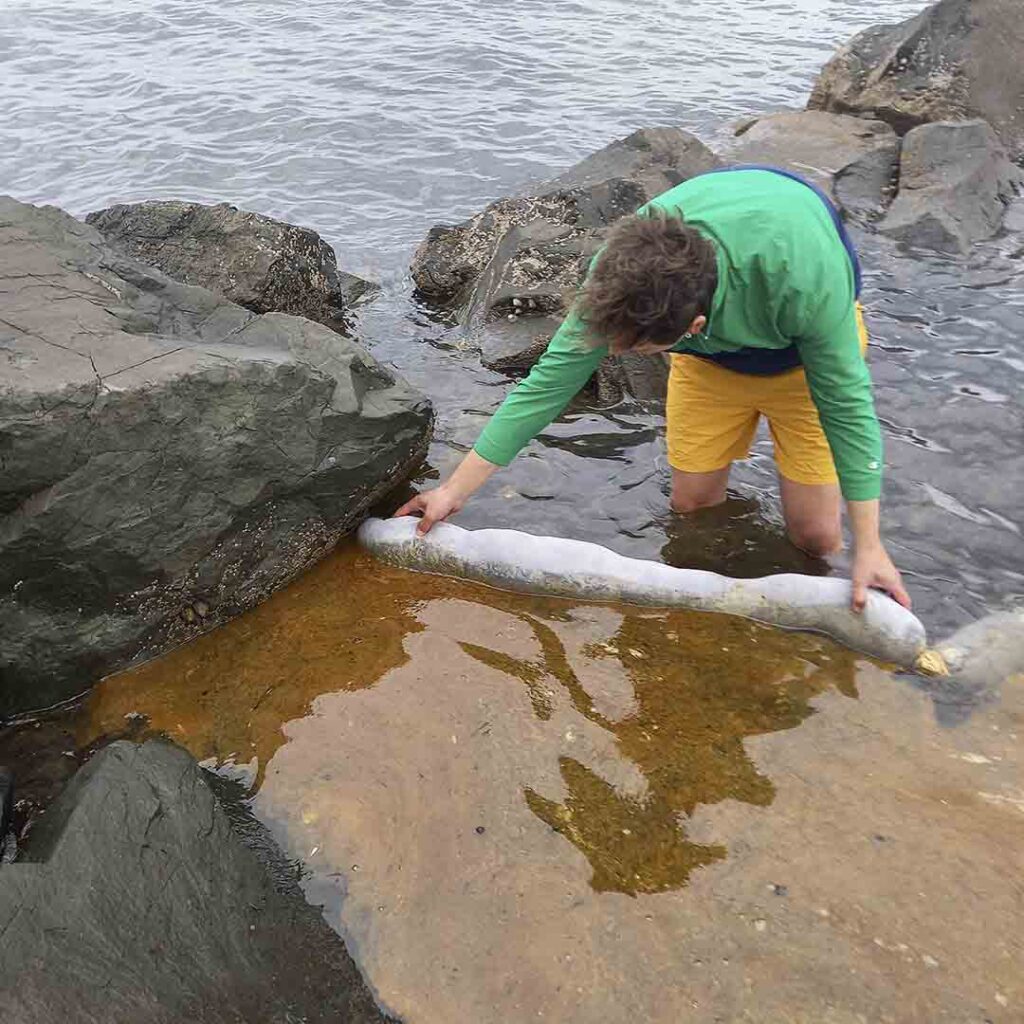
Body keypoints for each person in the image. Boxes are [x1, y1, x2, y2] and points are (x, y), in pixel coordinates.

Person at [396, 166, 911, 612]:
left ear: (694, 327)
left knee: (817, 538)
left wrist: (870, 545)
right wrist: (451, 491)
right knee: (692, 508)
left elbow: (848, 410)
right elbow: (546, 387)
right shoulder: (620, 274)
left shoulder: (807, 281)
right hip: (710, 369)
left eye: (634, 350)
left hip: (800, 363)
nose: (613, 356)